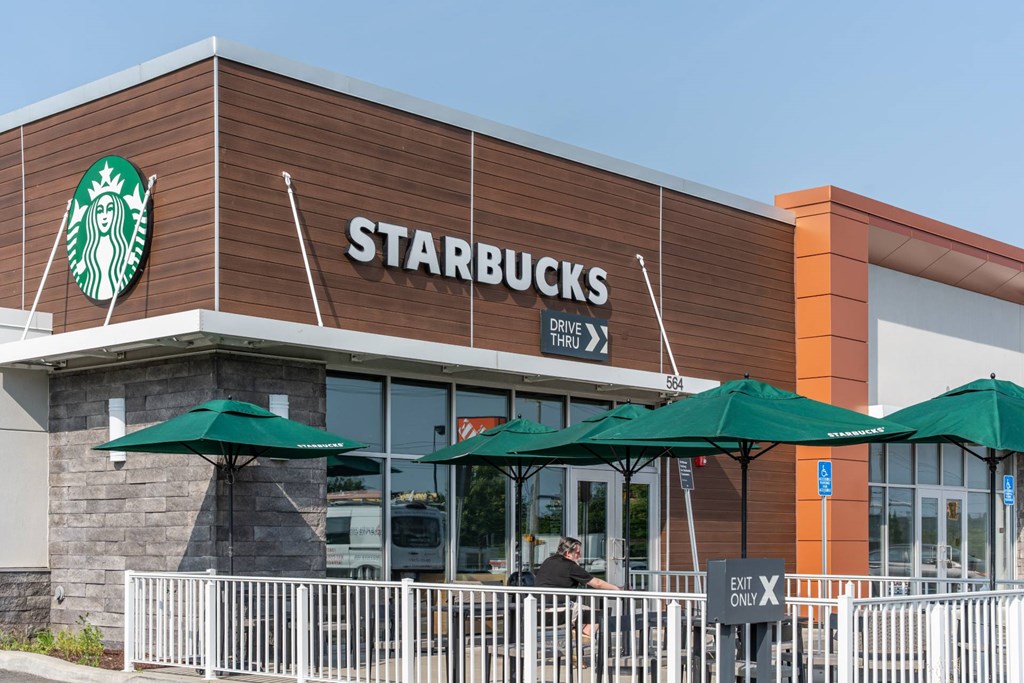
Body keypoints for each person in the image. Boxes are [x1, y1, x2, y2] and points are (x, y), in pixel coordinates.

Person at [535, 536, 620, 638]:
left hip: (538, 609)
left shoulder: (548, 561)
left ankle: (578, 636)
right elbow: (597, 583)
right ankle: (581, 643)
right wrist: (617, 589)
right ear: (568, 553)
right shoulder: (570, 566)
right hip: (559, 610)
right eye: (577, 552)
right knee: (599, 616)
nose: (580, 555)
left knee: (582, 614)